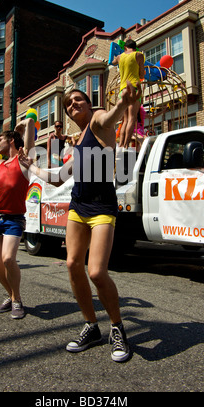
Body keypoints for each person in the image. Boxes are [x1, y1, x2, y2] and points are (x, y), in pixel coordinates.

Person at [24, 84, 138, 362]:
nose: (74, 105)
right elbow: (59, 178)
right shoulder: (79, 141)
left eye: (78, 100)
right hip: (78, 206)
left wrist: (122, 104)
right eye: (68, 104)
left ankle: (117, 328)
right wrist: (31, 166)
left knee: (97, 272)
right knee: (74, 265)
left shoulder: (98, 122)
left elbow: (111, 117)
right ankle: (91, 325)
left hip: (102, 207)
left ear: (89, 104)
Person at [0, 118, 35, 319]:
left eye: (0, 140)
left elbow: (28, 144)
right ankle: (11, 296)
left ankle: (17, 299)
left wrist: (27, 124)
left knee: (8, 258)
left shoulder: (23, 160)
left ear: (11, 141)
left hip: (13, 218)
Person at [112, 39, 145, 148]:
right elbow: (141, 75)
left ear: (125, 47)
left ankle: (121, 145)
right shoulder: (139, 55)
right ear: (135, 48)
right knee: (132, 118)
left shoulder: (120, 57)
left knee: (124, 120)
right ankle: (126, 145)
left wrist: (115, 58)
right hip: (133, 89)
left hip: (123, 90)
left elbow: (112, 62)